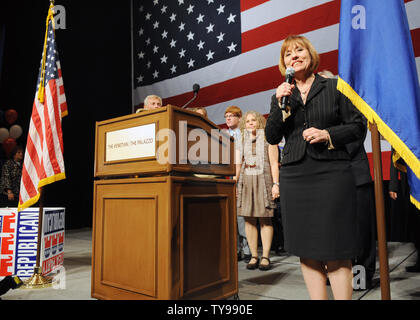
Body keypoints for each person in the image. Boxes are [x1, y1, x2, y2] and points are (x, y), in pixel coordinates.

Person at [265, 35, 365, 300]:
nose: (294, 56)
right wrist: (277, 104)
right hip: (295, 177)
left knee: (336, 247)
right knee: (307, 248)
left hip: (332, 174)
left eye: (299, 50)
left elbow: (358, 127)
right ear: (283, 62)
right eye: (288, 54)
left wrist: (327, 135)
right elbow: (272, 137)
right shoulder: (282, 94)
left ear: (311, 55)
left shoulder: (334, 86)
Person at [319, 70, 377, 290]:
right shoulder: (320, 111)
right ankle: (336, 273)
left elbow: (356, 135)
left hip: (355, 175)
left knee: (362, 232)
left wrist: (328, 139)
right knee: (334, 231)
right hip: (328, 178)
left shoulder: (351, 103)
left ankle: (361, 276)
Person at [235, 111, 279, 271]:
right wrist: (234, 184)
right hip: (246, 182)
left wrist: (276, 184)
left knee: (265, 219)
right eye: (247, 121)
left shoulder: (269, 139)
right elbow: (238, 165)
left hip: (264, 180)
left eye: (254, 120)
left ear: (260, 122)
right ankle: (254, 255)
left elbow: (274, 163)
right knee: (248, 219)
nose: (251, 123)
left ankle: (265, 256)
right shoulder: (241, 141)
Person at [224, 105, 251, 263]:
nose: (228, 118)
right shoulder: (223, 135)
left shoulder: (245, 134)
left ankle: (247, 249)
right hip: (226, 176)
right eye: (226, 116)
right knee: (230, 215)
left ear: (239, 118)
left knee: (241, 215)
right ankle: (234, 250)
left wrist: (236, 179)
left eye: (231, 115)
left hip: (242, 177)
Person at [389, 150, 420, 272]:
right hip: (408, 179)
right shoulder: (406, 130)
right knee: (415, 222)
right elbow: (395, 154)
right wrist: (393, 184)